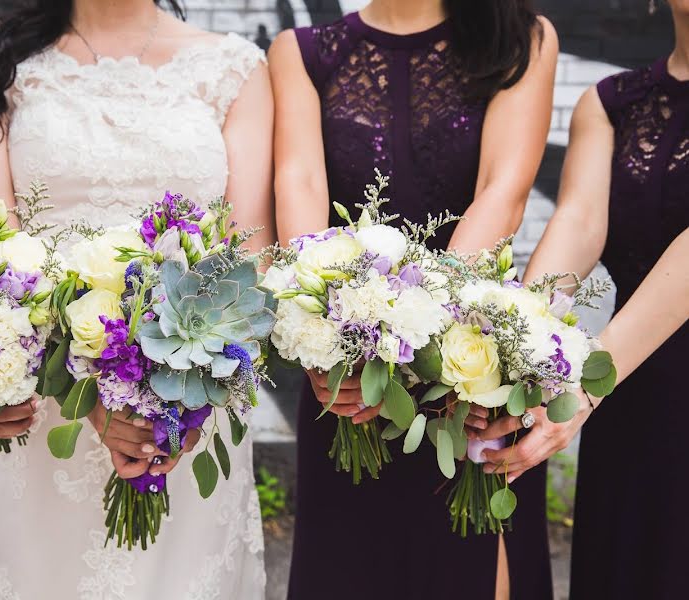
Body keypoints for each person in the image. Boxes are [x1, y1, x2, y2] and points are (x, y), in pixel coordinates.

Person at [0, 1, 274, 597]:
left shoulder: (235, 68)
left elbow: (248, 256)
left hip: (191, 402)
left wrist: (182, 403)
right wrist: (89, 395)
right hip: (42, 407)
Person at [269, 1, 558, 597]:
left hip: (469, 372)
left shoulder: (518, 38)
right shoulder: (301, 52)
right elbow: (300, 187)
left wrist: (411, 342)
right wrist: (331, 336)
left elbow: (502, 193)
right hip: (346, 375)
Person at [472, 1, 689, 597]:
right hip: (637, 402)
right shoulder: (611, 104)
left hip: (611, 372)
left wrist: (587, 382)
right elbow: (579, 219)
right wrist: (513, 342)